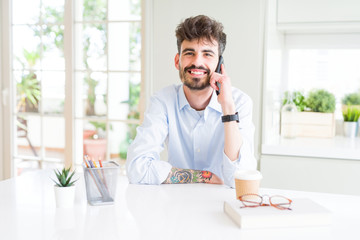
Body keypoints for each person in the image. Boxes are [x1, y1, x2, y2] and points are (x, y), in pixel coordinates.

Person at [126, 15, 256, 187]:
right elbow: (136, 168)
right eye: (189, 53)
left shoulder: (239, 103)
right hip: (175, 205)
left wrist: (228, 108)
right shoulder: (163, 101)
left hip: (222, 206)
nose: (197, 62)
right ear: (177, 61)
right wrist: (204, 176)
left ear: (220, 65)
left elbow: (239, 178)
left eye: (207, 54)